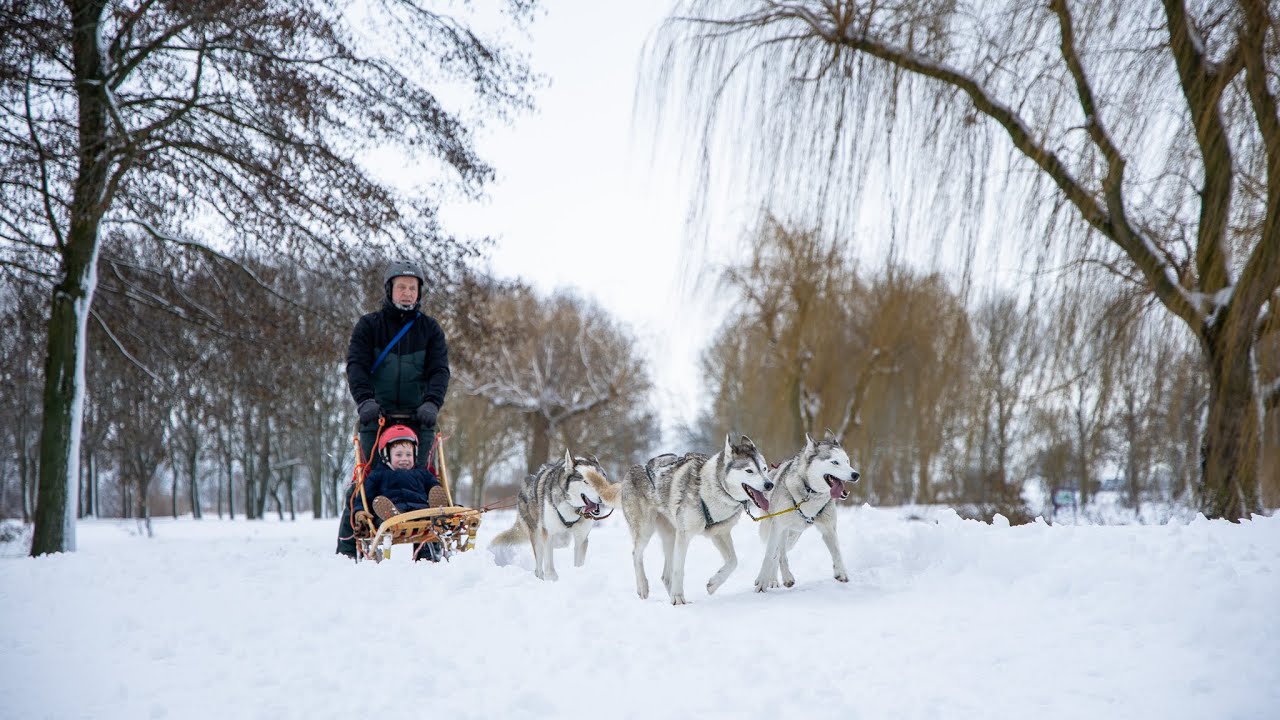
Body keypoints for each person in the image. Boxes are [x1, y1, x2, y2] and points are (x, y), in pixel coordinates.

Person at [336, 259, 450, 558]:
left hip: (419, 416)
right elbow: (357, 366)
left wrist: (431, 403)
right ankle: (347, 550)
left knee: (426, 478)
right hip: (376, 415)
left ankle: (429, 552)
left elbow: (439, 371)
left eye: (413, 288)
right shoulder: (369, 326)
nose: (407, 293)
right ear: (390, 290)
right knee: (363, 480)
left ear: (419, 293)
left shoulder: (430, 329)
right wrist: (365, 401)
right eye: (401, 287)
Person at [350, 425, 447, 529]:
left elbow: (436, 490)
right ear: (386, 455)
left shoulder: (422, 473)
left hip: (421, 509)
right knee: (382, 513)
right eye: (399, 455)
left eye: (409, 455)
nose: (404, 459)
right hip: (394, 509)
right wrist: (359, 511)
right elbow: (364, 496)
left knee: (430, 504)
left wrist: (446, 502)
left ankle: (438, 512)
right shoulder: (378, 475)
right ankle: (393, 517)